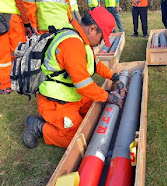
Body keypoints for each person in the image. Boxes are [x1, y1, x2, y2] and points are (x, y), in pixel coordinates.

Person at [22, 7, 126, 149]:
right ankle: (38, 126)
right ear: (93, 28)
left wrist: (114, 77)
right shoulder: (72, 44)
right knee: (79, 139)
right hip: (57, 103)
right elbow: (83, 85)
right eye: (101, 38)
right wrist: (109, 96)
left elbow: (94, 63)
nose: (101, 42)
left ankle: (62, 122)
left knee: (98, 111)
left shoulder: (79, 38)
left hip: (72, 95)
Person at [0, 0, 32, 95]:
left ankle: (5, 86)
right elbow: (19, 3)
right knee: (20, 52)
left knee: (3, 58)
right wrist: (26, 23)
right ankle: (22, 82)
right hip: (14, 19)